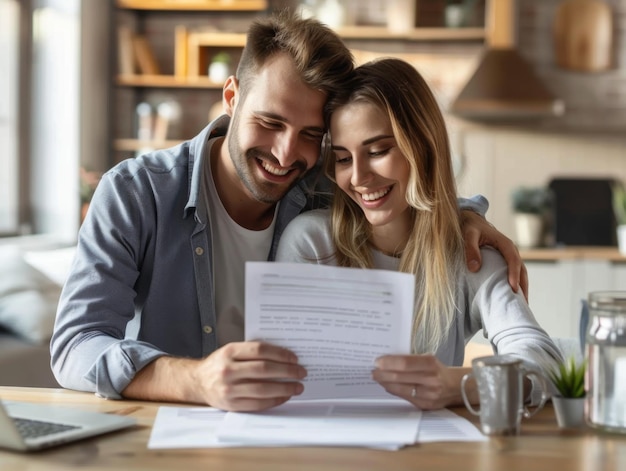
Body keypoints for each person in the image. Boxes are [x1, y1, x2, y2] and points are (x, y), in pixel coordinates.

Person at [51, 13, 526, 412]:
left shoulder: (323, 189)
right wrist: (196, 380)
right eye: (270, 122)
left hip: (295, 433)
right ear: (232, 98)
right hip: (169, 433)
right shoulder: (137, 194)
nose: (285, 154)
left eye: (309, 135)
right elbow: (76, 346)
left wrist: (462, 216)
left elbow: (397, 190)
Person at [275, 57, 563, 409]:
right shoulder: (310, 243)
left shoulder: (471, 253)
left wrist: (463, 386)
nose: (359, 178)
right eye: (343, 158)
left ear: (423, 147)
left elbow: (545, 362)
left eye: (378, 150)